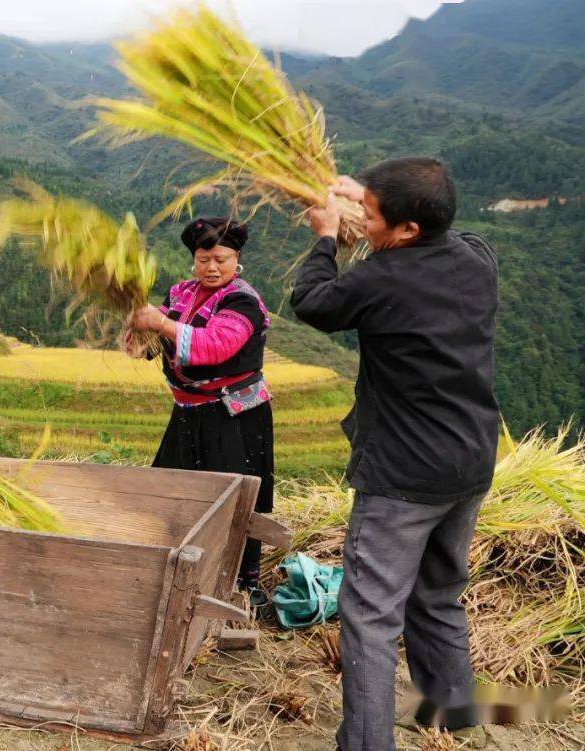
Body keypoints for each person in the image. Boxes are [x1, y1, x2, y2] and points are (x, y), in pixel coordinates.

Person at [290, 157, 499, 750]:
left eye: (372, 214)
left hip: (403, 475)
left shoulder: (383, 277)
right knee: (437, 595)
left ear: (408, 230)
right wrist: (368, 201)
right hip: (469, 460)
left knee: (371, 616)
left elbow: (315, 303)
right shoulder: (477, 258)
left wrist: (328, 237)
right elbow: (445, 235)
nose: (365, 218)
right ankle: (455, 719)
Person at [129, 217, 274, 602]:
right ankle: (173, 569)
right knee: (172, 489)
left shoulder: (242, 300)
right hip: (188, 413)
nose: (212, 267)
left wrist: (160, 323)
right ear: (193, 259)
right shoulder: (180, 293)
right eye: (204, 258)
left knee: (235, 498)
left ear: (237, 259)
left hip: (233, 417)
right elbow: (156, 342)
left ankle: (241, 585)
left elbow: (214, 346)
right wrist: (141, 336)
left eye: (221, 259)